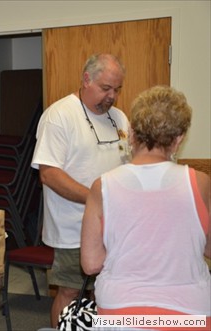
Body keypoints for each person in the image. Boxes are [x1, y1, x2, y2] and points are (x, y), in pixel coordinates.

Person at [81, 85, 211, 329]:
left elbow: (91, 263)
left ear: (131, 133)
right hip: (189, 312)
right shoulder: (201, 183)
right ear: (179, 138)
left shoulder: (102, 186)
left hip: (121, 311)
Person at [31, 53, 130, 327]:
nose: (112, 96)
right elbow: (49, 174)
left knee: (108, 292)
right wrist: (98, 200)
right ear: (87, 80)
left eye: (117, 89)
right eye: (106, 88)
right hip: (73, 227)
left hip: (115, 226)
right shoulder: (59, 115)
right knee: (71, 291)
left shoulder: (120, 119)